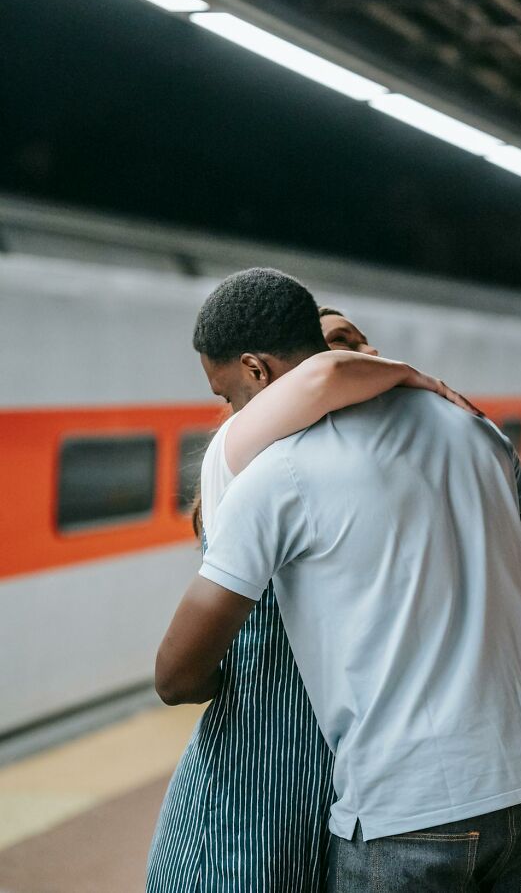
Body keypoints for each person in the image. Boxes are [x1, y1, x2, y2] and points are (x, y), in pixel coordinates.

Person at [156, 268, 521, 892]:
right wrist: (515, 711)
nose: (230, 410)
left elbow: (175, 676)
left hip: (403, 809)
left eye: (226, 394)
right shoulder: (475, 431)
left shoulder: (269, 473)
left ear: (257, 370)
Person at [147, 295, 477, 893]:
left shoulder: (386, 476)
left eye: (356, 340)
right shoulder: (249, 466)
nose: (355, 359)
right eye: (335, 346)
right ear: (274, 375)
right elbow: (175, 677)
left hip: (342, 791)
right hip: (247, 802)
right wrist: (411, 374)